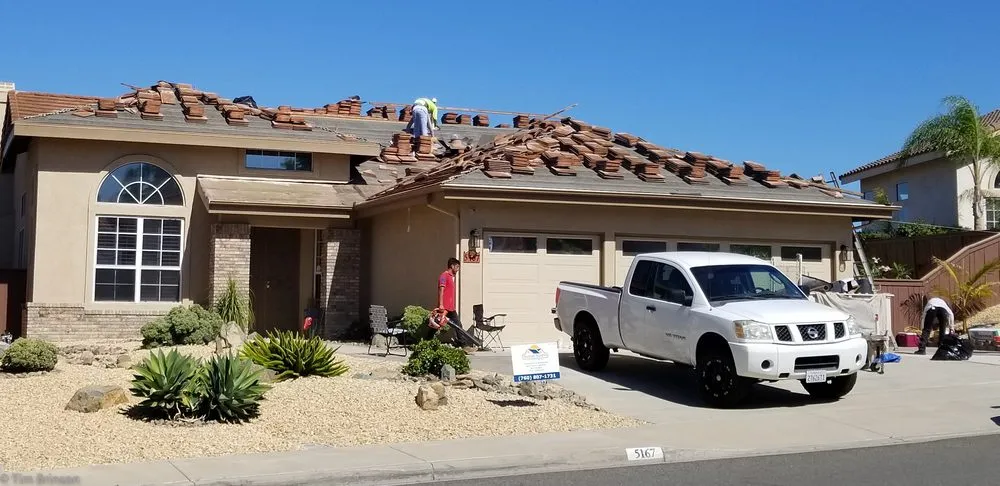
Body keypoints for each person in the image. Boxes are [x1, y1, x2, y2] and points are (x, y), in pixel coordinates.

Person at [438, 257, 461, 329]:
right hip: (444, 308)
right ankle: (426, 338)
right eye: (457, 267)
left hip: (451, 308)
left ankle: (461, 340)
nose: (458, 269)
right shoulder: (444, 276)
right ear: (452, 266)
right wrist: (441, 304)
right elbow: (441, 290)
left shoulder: (450, 277)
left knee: (458, 326)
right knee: (436, 326)